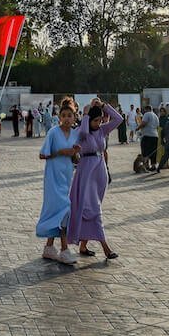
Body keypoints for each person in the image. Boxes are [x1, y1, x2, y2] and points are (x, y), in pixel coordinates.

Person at [68, 104, 124, 260]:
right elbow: (85, 131)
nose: (98, 123)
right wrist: (85, 115)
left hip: (100, 171)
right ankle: (106, 247)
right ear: (88, 119)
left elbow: (119, 119)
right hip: (86, 172)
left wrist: (105, 106)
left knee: (93, 207)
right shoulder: (81, 132)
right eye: (95, 120)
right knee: (91, 207)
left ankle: (83, 245)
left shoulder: (102, 130)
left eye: (100, 120)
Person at [37, 100, 80, 264]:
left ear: (74, 116)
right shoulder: (53, 132)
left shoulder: (76, 134)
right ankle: (64, 249)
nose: (67, 118)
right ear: (59, 117)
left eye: (70, 115)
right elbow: (43, 155)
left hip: (67, 176)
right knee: (63, 211)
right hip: (53, 177)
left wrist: (75, 153)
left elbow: (76, 158)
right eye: (63, 115)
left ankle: (49, 247)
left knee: (60, 211)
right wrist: (60, 152)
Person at [137, 105, 159, 173]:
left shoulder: (147, 114)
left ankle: (146, 166)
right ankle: (153, 166)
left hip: (147, 135)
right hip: (155, 136)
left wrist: (138, 128)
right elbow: (157, 126)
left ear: (147, 109)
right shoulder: (156, 116)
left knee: (145, 151)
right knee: (153, 152)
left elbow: (144, 123)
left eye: (144, 109)